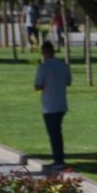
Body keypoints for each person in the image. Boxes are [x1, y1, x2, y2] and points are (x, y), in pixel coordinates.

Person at [33, 40, 72, 168]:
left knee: (54, 133)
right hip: (61, 103)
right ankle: (58, 158)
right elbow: (68, 82)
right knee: (57, 131)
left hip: (49, 105)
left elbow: (38, 85)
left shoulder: (43, 67)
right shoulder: (63, 65)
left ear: (44, 52)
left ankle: (59, 160)